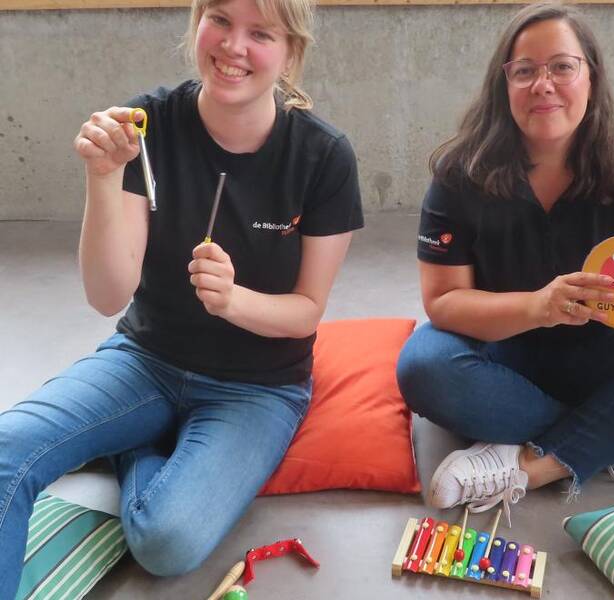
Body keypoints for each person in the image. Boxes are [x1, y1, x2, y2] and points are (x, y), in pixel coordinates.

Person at [0, 0, 362, 594]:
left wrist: (234, 300)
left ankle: (135, 445)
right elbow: (106, 294)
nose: (232, 46)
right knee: (9, 449)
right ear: (197, 22)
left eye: (260, 33)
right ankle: (140, 428)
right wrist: (100, 176)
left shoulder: (323, 156)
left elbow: (307, 312)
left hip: (259, 387)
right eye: (218, 19)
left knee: (165, 540)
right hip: (146, 359)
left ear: (292, 52)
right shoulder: (147, 125)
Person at [396, 3, 614, 518]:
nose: (544, 84)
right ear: (505, 86)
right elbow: (445, 302)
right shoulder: (461, 173)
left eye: (562, 66)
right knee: (425, 366)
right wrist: (539, 306)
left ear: (591, 76)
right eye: (525, 70)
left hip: (608, 355)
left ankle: (532, 464)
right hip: (503, 353)